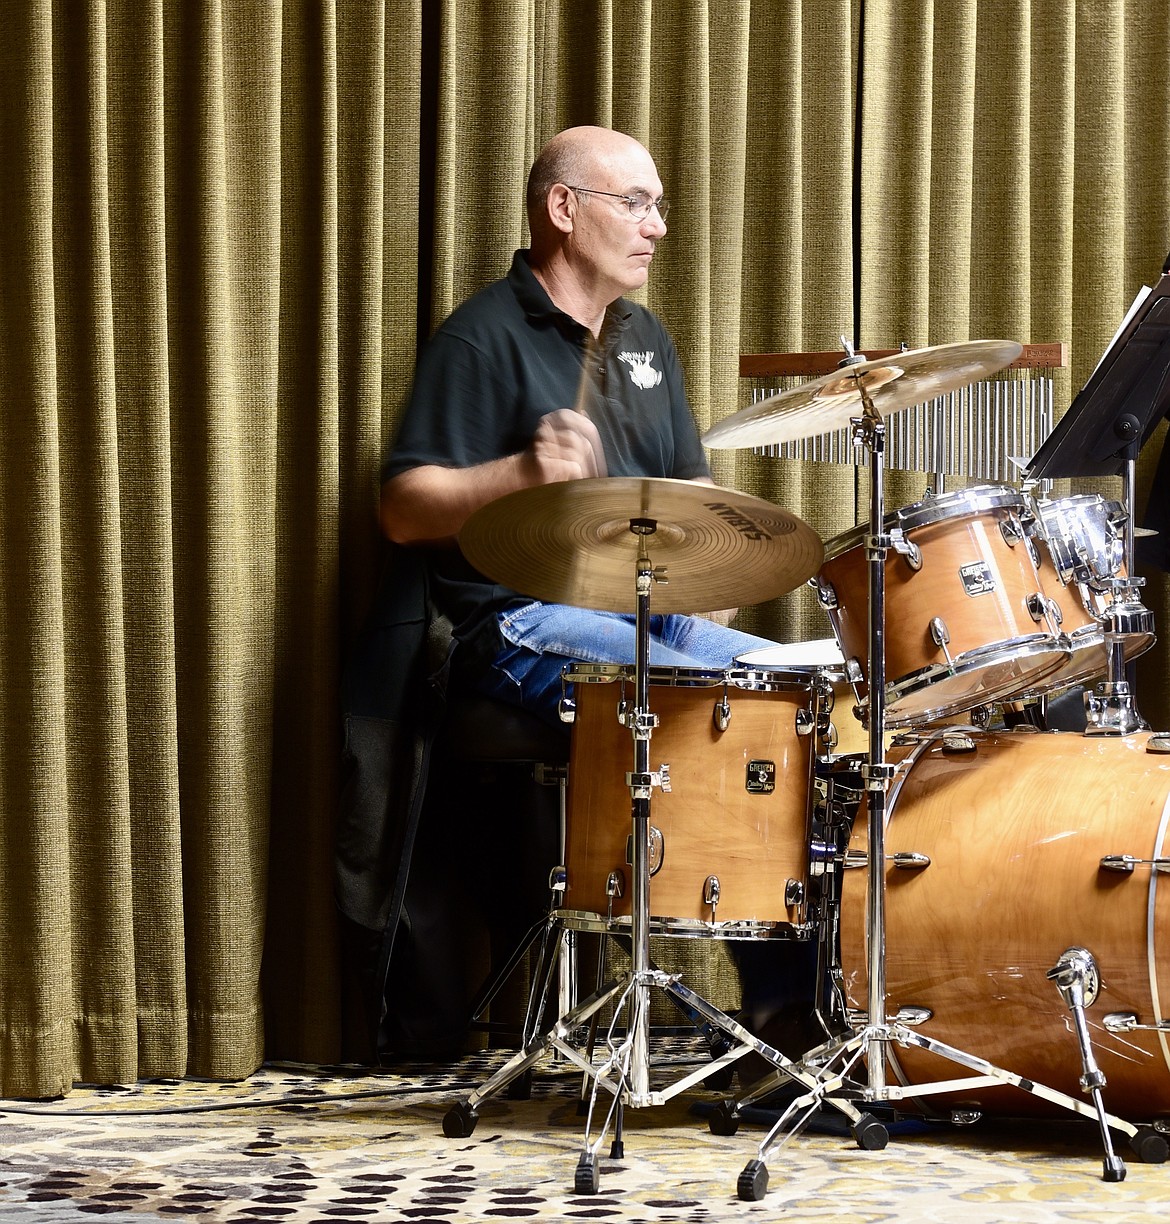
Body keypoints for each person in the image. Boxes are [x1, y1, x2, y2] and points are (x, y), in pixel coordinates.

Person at [380, 125, 777, 725]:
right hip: (526, 617)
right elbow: (401, 513)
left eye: (658, 206)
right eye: (635, 203)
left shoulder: (646, 336)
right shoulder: (481, 336)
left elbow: (689, 488)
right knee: (704, 702)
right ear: (565, 207)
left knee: (803, 691)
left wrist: (720, 569)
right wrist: (522, 474)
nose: (658, 227)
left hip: (647, 611)